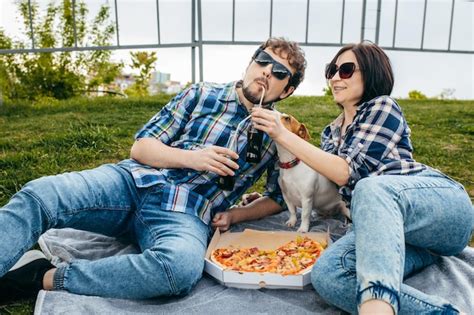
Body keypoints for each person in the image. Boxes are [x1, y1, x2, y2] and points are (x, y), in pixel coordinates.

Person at [0, 37, 306, 302]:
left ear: (287, 90)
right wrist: (193, 158)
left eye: (279, 72)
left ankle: (42, 276)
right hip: (132, 183)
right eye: (263, 60)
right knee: (41, 194)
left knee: (180, 271)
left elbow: (279, 197)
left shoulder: (278, 133)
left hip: (185, 214)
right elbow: (141, 147)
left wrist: (236, 215)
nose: (267, 70)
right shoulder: (201, 93)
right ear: (251, 62)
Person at [250, 41, 473, 314]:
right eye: (331, 70)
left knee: (371, 188)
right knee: (329, 274)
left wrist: (282, 133)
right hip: (403, 237)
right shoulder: (331, 134)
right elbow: (314, 175)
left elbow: (346, 172)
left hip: (440, 211)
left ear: (371, 73)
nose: (334, 77)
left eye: (345, 70)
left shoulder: (382, 107)